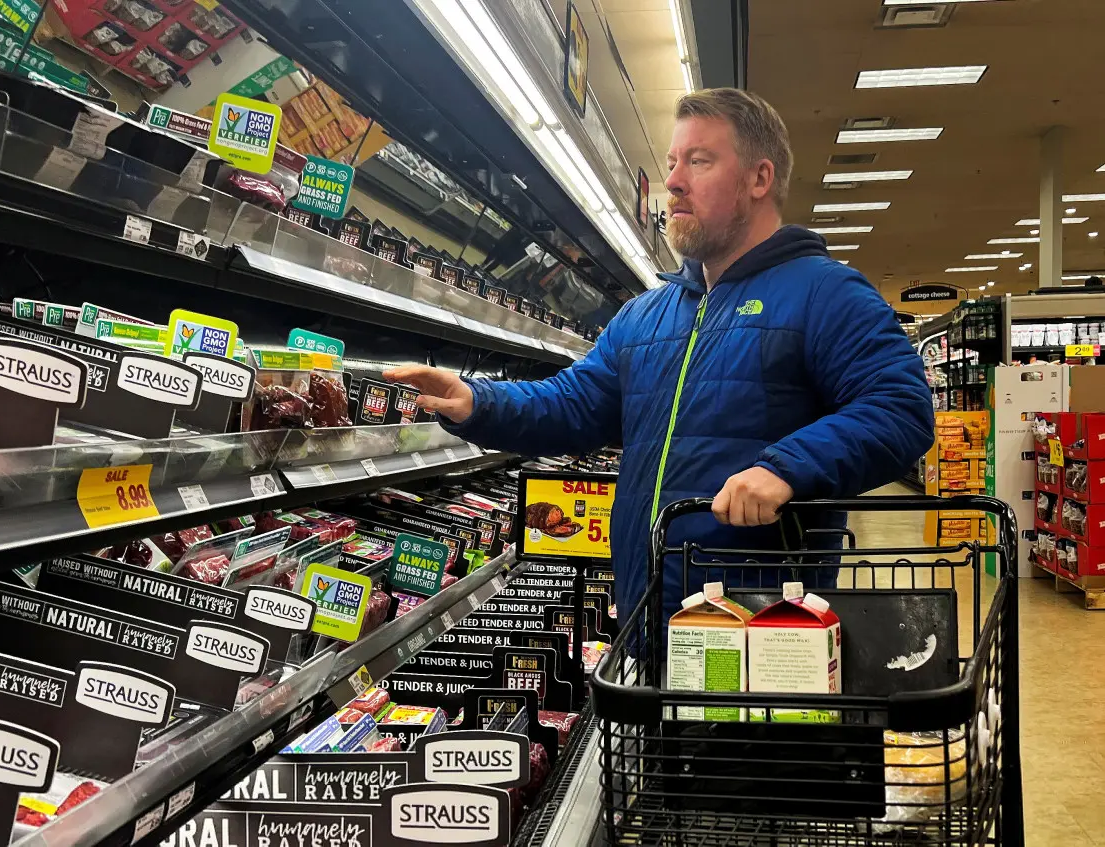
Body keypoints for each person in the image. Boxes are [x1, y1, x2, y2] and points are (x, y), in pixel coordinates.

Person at [385, 88, 934, 620]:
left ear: (759, 178)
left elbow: (900, 408)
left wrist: (786, 468)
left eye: (698, 161)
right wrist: (478, 402)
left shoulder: (825, 292)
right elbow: (574, 404)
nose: (672, 182)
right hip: (648, 613)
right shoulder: (647, 314)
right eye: (672, 162)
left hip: (761, 629)